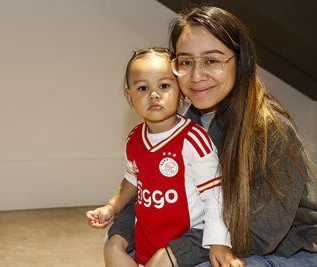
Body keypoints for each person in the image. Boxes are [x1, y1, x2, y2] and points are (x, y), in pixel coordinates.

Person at [107, 6, 317, 267]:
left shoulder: (270, 128)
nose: (197, 75)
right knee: (121, 248)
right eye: (186, 62)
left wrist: (176, 252)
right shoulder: (185, 122)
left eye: (212, 60)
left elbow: (262, 232)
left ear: (240, 61)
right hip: (216, 234)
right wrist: (118, 236)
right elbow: (147, 190)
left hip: (289, 251)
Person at [86, 47, 239, 266]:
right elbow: (131, 179)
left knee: (160, 261)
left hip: (190, 234)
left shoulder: (193, 140)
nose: (154, 94)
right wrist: (110, 206)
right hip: (149, 229)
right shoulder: (134, 139)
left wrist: (219, 242)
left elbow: (215, 196)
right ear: (129, 97)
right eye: (143, 87)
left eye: (164, 86)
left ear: (181, 92)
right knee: (112, 247)